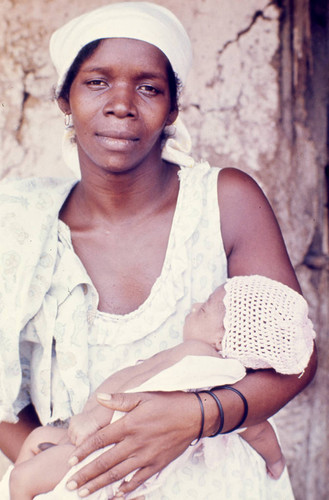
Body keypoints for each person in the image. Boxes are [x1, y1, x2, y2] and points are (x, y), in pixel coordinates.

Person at [0, 2, 317, 499]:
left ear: (173, 109)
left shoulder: (224, 202)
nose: (122, 103)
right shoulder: (18, 223)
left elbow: (297, 354)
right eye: (97, 82)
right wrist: (49, 461)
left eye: (148, 87)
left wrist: (193, 418)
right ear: (64, 98)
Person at [7, 275, 315, 499]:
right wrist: (274, 460)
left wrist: (91, 416)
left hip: (115, 453)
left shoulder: (201, 360)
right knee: (37, 442)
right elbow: (257, 428)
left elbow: (128, 387)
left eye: (205, 309)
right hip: (107, 442)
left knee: (23, 477)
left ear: (222, 340)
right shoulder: (204, 365)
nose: (195, 305)